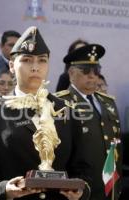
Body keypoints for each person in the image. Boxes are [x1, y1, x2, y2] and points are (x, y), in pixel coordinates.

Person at [0, 26, 92, 200]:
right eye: (26, 60)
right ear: (11, 65)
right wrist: (4, 189)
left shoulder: (68, 111)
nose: (35, 67)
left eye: (42, 60)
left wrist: (80, 192)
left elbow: (83, 170)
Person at [55, 43, 122, 200]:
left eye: (96, 70)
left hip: (110, 187)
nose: (92, 75)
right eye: (86, 71)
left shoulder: (108, 103)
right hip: (80, 191)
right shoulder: (60, 103)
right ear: (71, 73)